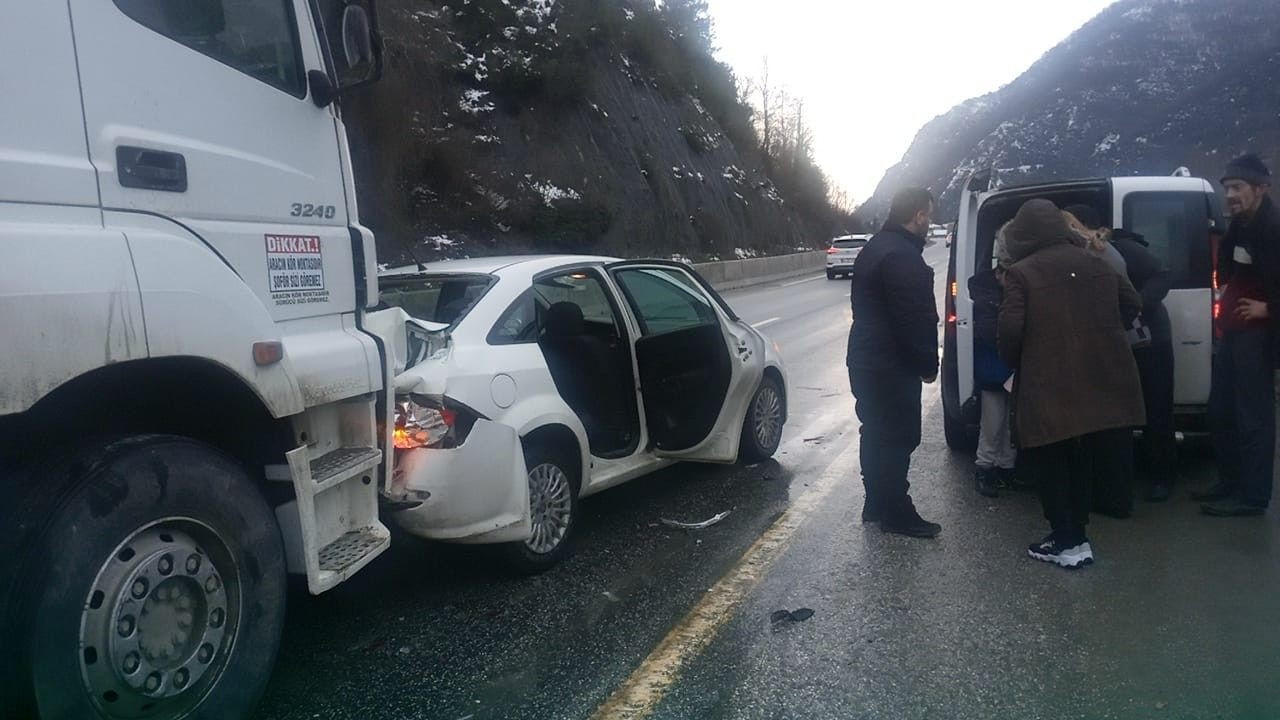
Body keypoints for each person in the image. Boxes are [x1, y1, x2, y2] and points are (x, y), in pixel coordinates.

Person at [998, 199, 1145, 569]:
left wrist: (1018, 358)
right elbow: (1132, 303)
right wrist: (1102, 336)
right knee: (1081, 456)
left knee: (1051, 458)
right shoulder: (1096, 261)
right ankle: (1078, 536)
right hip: (1097, 377)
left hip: (1048, 380)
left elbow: (1011, 331)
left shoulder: (1022, 273)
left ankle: (1065, 541)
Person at [847, 187, 942, 538]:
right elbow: (915, 318)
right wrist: (927, 364)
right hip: (891, 363)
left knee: (873, 430)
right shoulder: (902, 256)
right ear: (917, 214)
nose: (929, 222)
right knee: (898, 437)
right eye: (928, 215)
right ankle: (897, 512)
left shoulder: (875, 247)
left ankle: (875, 503)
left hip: (864, 356)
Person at [1196, 154, 1280, 516]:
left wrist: (1269, 309)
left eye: (1237, 187)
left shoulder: (1274, 227)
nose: (1229, 194)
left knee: (1253, 415)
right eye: (1227, 187)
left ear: (1261, 189)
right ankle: (1230, 480)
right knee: (1222, 411)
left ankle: (1253, 497)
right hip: (1234, 331)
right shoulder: (1239, 226)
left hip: (1258, 335)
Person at [1063, 205, 1138, 518]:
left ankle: (1111, 500)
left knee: (1103, 428)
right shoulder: (1105, 252)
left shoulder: (1093, 257)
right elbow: (1131, 303)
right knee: (1113, 428)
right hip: (1113, 348)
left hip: (1099, 350)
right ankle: (1115, 497)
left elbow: (1127, 301)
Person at [1110, 227, 1176, 501]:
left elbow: (1163, 275)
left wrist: (1136, 303)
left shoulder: (1124, 247)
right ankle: (1120, 479)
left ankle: (1162, 478)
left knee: (1156, 408)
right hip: (1119, 342)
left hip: (1152, 342)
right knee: (1120, 412)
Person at [969, 223, 1016, 498]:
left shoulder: (989, 285)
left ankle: (1005, 466)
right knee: (994, 420)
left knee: (1009, 420)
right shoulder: (984, 287)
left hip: (1009, 362)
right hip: (995, 364)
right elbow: (986, 330)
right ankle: (985, 467)